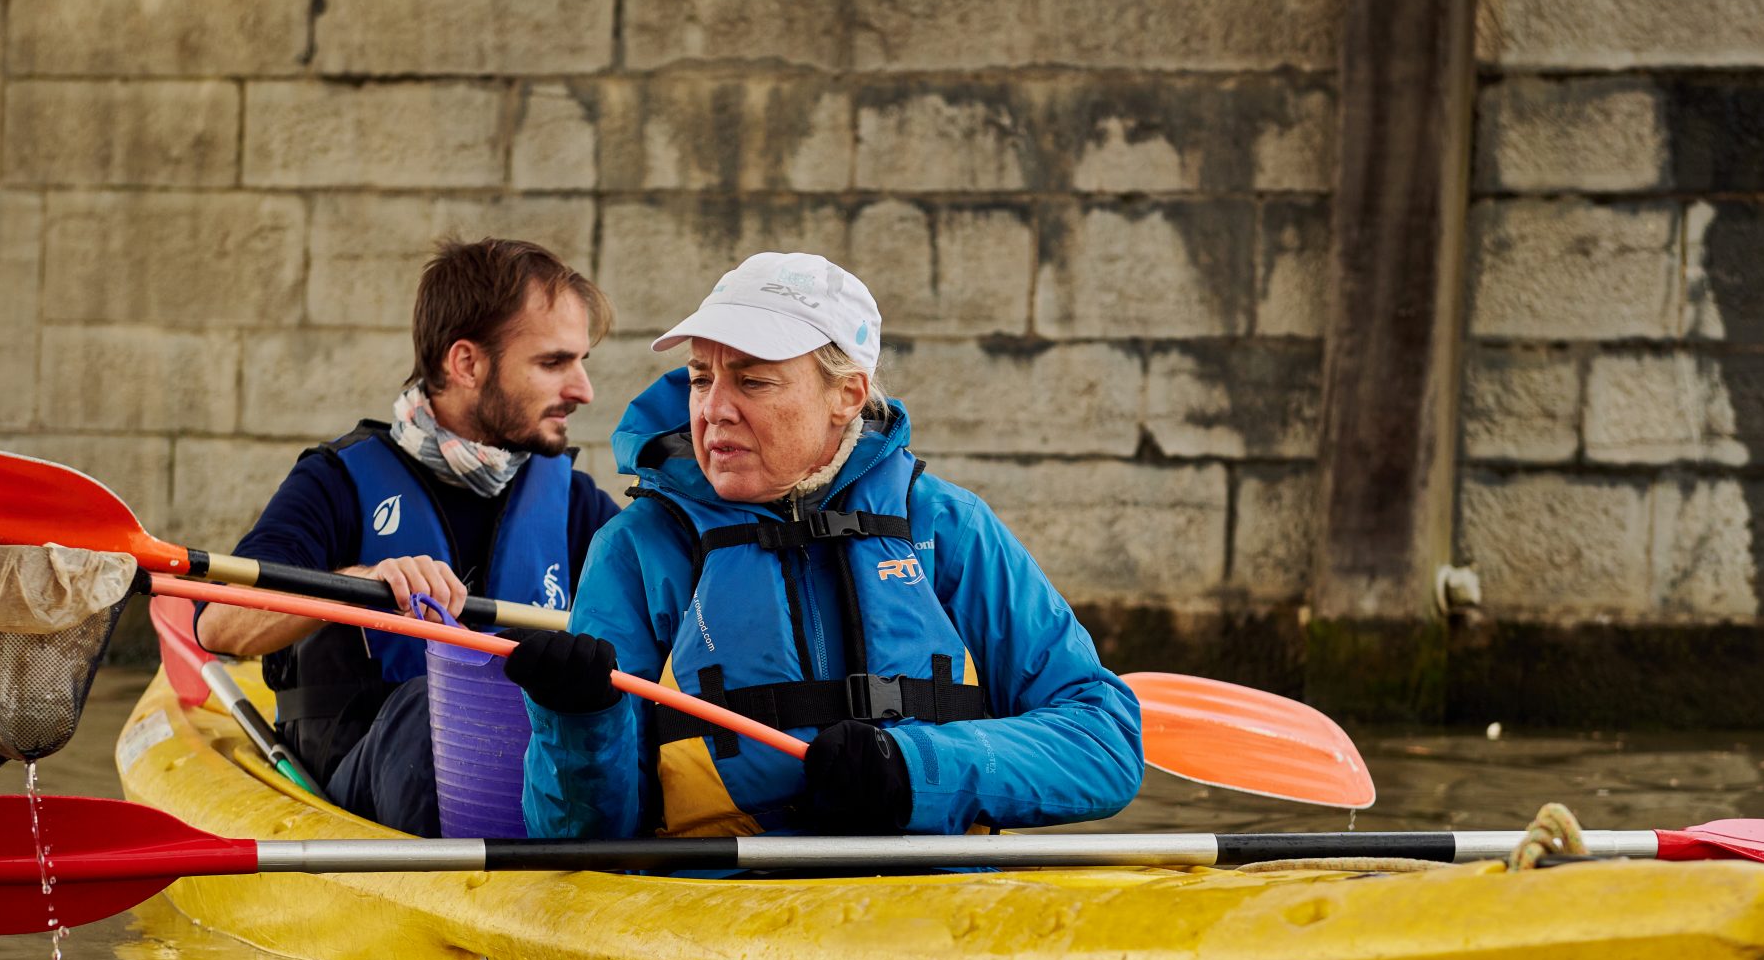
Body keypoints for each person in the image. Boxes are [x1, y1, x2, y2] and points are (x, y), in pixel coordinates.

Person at [502, 251, 1143, 839]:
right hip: (714, 902)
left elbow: (1105, 740)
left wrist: (915, 769)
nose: (713, 409)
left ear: (846, 396)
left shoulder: (948, 527)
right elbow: (577, 839)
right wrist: (577, 721)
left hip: (929, 891)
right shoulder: (636, 550)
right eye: (701, 379)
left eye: (752, 382)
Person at [196, 237, 622, 831]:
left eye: (580, 363)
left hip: (522, 787)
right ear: (467, 364)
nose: (583, 391)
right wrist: (359, 584)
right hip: (364, 789)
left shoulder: (575, 503)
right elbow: (220, 624)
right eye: (554, 363)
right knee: (434, 709)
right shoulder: (338, 481)